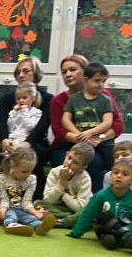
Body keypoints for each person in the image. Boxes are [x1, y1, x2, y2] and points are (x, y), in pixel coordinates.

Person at [50, 53, 124, 192]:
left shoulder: (104, 96)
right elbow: (59, 130)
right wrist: (82, 138)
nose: (68, 74)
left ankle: (99, 202)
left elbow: (118, 124)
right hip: (67, 145)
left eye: (73, 69)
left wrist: (98, 138)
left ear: (85, 72)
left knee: (98, 160)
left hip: (99, 142)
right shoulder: (59, 100)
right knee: (73, 159)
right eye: (64, 72)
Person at [0, 56, 52, 196]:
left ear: (36, 74)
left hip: (35, 140)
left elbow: (42, 126)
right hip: (10, 138)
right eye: (18, 72)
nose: (21, 75)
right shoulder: (8, 98)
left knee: (34, 158)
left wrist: (27, 143)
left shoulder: (47, 99)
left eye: (26, 71)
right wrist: (4, 140)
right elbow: (1, 123)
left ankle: (32, 198)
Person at [61, 61, 114, 181]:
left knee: (111, 167)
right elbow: (65, 120)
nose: (101, 84)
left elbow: (108, 122)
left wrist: (90, 133)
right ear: (86, 80)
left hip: (103, 143)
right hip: (81, 141)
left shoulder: (105, 100)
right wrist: (79, 134)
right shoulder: (74, 99)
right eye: (97, 80)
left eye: (103, 81)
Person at [69, 157, 132, 251]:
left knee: (117, 239)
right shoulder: (100, 196)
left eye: (125, 174)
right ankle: (122, 241)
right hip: (106, 229)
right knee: (104, 216)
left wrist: (127, 229)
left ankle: (121, 240)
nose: (119, 176)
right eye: (115, 172)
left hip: (128, 230)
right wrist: (75, 233)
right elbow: (87, 215)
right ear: (110, 175)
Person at [0, 147, 56, 236]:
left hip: (23, 209)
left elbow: (26, 201)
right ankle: (12, 226)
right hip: (9, 208)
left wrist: (35, 212)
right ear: (13, 166)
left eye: (30, 171)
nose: (27, 175)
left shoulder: (32, 179)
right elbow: (4, 199)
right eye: (24, 172)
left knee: (31, 218)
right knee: (10, 216)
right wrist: (2, 211)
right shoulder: (2, 178)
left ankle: (39, 227)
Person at [36, 142, 94, 229]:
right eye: (69, 157)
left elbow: (80, 208)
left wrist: (63, 195)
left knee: (90, 211)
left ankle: (62, 222)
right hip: (59, 208)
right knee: (38, 203)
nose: (69, 163)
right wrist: (61, 182)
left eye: (75, 162)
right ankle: (69, 219)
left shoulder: (84, 179)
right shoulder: (55, 172)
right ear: (66, 154)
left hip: (77, 210)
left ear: (82, 168)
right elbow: (48, 200)